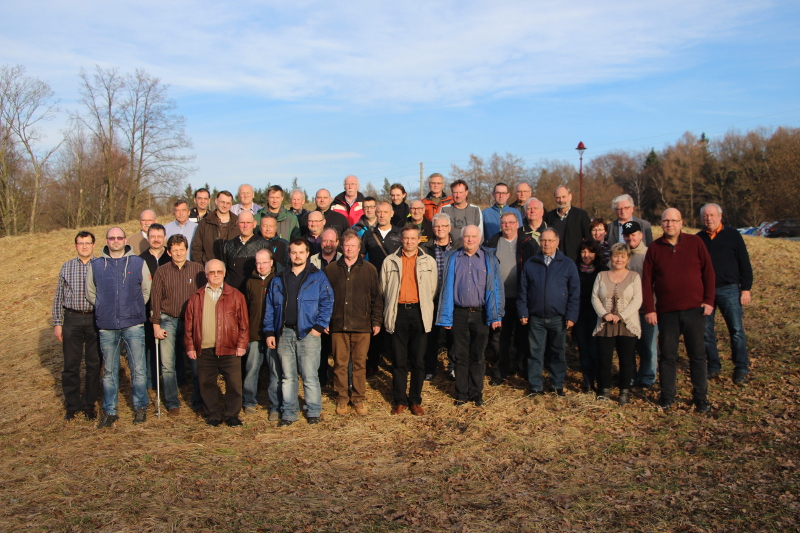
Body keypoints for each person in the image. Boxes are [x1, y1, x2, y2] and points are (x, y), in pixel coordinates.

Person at [642, 208, 715, 413]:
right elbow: (647, 281)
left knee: (698, 356)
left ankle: (701, 398)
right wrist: (650, 308)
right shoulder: (655, 248)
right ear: (661, 223)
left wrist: (709, 300)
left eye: (674, 221)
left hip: (694, 310)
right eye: (666, 221)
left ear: (681, 222)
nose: (670, 224)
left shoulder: (695, 243)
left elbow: (708, 272)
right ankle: (667, 396)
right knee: (667, 356)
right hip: (667, 312)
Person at [86, 227, 152, 428]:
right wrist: (104, 308)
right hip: (107, 326)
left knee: (138, 368)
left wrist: (134, 308)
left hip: (133, 324)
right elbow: (91, 292)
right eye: (112, 238)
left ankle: (140, 406)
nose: (116, 241)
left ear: (125, 240)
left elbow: (146, 291)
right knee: (109, 370)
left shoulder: (138, 262)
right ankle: (109, 410)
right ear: (106, 241)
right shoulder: (96, 265)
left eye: (119, 237)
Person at [263, 239, 334, 426]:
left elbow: (327, 302)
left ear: (307, 253)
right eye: (294, 252)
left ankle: (313, 410)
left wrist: (319, 327)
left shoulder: (317, 277)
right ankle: (289, 411)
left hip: (309, 333)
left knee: (310, 375)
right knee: (287, 376)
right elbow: (270, 306)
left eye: (301, 252)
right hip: (284, 333)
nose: (297, 255)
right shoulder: (278, 278)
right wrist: (269, 331)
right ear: (289, 254)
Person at [436, 225, 504, 406]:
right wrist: (446, 317)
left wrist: (496, 315)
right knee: (460, 356)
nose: (470, 240)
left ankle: (476, 393)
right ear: (462, 238)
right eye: (467, 236)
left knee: (478, 356)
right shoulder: (452, 258)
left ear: (480, 238)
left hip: (481, 314)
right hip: (459, 313)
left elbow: (496, 288)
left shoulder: (489, 259)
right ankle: (462, 393)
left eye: (474, 236)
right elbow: (446, 289)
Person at [184, 259, 249, 427]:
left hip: (230, 347)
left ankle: (231, 414)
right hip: (205, 348)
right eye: (212, 272)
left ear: (224, 273)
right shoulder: (196, 297)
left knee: (234, 384)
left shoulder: (236, 295)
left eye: (219, 272)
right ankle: (212, 414)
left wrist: (242, 344)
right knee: (206, 383)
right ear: (206, 275)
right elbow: (189, 325)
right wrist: (190, 346)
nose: (216, 275)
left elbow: (244, 324)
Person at [325, 230, 383, 415]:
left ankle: (358, 398)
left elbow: (376, 298)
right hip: (338, 325)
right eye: (346, 245)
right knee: (340, 363)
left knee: (359, 364)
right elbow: (324, 298)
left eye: (353, 245)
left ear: (359, 248)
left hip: (362, 325)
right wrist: (325, 320)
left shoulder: (370, 269)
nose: (349, 248)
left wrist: (376, 321)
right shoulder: (332, 269)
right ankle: (342, 398)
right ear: (342, 247)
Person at [381, 226, 438, 415]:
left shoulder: (428, 261)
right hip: (398, 312)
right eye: (406, 238)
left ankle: (415, 400)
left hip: (419, 312)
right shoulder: (390, 261)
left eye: (413, 238)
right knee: (399, 361)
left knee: (418, 361)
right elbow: (384, 288)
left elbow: (432, 289)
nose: (409, 241)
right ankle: (400, 400)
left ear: (419, 239)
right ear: (401, 239)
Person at [517, 228, 579, 396]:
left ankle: (556, 384)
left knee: (558, 353)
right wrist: (523, 312)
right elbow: (523, 291)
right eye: (543, 240)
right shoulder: (531, 263)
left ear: (557, 242)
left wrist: (571, 315)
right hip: (535, 318)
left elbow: (574, 292)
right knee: (535, 353)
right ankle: (535, 386)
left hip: (559, 318)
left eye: (550, 241)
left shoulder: (567, 264)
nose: (546, 244)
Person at [150, 234, 206, 416]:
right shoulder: (162, 271)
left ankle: (198, 401)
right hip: (168, 319)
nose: (179, 253)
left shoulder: (198, 270)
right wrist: (156, 325)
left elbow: (205, 296)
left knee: (196, 361)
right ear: (169, 251)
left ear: (186, 249)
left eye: (182, 249)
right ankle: (172, 401)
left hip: (192, 320)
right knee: (167, 363)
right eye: (175, 250)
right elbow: (155, 300)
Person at [698, 203, 753, 384]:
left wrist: (745, 288)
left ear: (720, 216)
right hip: (706, 291)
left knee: (736, 330)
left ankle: (741, 368)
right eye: (706, 216)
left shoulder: (733, 235)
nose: (709, 219)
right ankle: (713, 366)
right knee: (706, 331)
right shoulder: (698, 239)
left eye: (712, 215)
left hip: (729, 289)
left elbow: (744, 262)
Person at [53, 231, 101, 421]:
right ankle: (72, 405)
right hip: (72, 319)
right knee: (71, 365)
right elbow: (58, 297)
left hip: (93, 319)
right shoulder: (67, 267)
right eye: (81, 243)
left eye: (87, 243)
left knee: (94, 364)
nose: (84, 246)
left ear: (93, 245)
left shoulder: (100, 265)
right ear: (75, 246)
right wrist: (58, 323)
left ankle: (89, 404)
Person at [591, 243, 642, 405]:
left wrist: (621, 315)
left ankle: (624, 392)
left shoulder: (634, 277)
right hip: (606, 324)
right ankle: (604, 390)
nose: (618, 259)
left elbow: (637, 300)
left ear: (627, 259)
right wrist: (604, 314)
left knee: (626, 360)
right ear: (611, 257)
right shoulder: (602, 275)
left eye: (622, 256)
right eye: (615, 255)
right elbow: (594, 297)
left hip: (627, 324)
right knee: (604, 359)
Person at [484, 211, 526, 385]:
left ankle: (523, 368)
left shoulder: (526, 243)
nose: (507, 226)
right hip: (500, 298)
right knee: (499, 336)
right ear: (500, 225)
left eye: (511, 222)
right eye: (504, 223)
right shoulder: (492, 243)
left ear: (517, 224)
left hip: (522, 298)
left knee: (523, 335)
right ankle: (500, 370)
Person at [422, 212, 460, 380]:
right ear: (433, 228)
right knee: (431, 336)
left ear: (449, 228)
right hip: (432, 297)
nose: (440, 229)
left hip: (453, 297)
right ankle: (430, 368)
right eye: (437, 226)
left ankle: (453, 367)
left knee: (454, 335)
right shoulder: (426, 248)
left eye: (444, 226)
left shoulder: (458, 247)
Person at [621, 221, 657, 389]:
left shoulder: (649, 254)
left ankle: (647, 378)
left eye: (633, 235)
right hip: (627, 311)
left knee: (648, 346)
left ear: (641, 235)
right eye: (627, 236)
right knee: (630, 347)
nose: (630, 238)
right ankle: (631, 376)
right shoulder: (622, 256)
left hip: (647, 309)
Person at [243, 249, 278, 417]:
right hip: (254, 333)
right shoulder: (249, 282)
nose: (261, 266)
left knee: (275, 371)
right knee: (251, 369)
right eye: (258, 263)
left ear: (271, 262)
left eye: (264, 262)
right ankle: (249, 401)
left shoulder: (278, 280)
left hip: (274, 334)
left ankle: (275, 405)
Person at [573, 239, 608, 393]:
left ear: (596, 253)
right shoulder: (574, 270)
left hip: (598, 315)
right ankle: (588, 381)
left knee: (596, 349)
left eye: (590, 252)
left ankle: (600, 381)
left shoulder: (603, 271)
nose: (586, 255)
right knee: (584, 349)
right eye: (583, 251)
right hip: (580, 314)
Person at [140, 223, 170, 390]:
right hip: (147, 309)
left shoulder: (170, 256)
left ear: (164, 237)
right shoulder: (140, 259)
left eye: (159, 236)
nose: (156, 240)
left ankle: (173, 380)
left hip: (168, 309)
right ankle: (151, 380)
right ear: (148, 238)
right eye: (153, 237)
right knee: (150, 345)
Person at [223, 211, 269, 293]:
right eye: (242, 222)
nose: (245, 226)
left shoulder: (263, 244)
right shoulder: (228, 245)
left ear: (254, 224)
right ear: (237, 224)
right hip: (233, 294)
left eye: (248, 222)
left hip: (255, 294)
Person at [543, 186, 592, 263]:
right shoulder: (549, 216)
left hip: (575, 261)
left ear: (570, 197)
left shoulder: (581, 215)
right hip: (554, 262)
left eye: (564, 197)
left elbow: (589, 239)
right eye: (558, 197)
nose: (561, 200)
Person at [192, 190, 240, 265]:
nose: (225, 205)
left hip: (232, 271)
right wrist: (202, 267)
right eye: (222, 202)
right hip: (210, 270)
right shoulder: (204, 223)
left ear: (231, 204)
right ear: (216, 201)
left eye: (228, 203)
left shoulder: (238, 223)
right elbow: (196, 249)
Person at [361, 201, 403, 274]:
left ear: (392, 213)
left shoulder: (401, 233)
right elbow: (360, 255)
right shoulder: (368, 234)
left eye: (385, 212)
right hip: (374, 277)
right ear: (376, 213)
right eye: (379, 212)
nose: (382, 215)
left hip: (395, 277)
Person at [518, 197, 545, 264]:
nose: (532, 211)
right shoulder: (518, 233)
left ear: (542, 212)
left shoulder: (551, 232)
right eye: (529, 209)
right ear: (524, 213)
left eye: (535, 208)